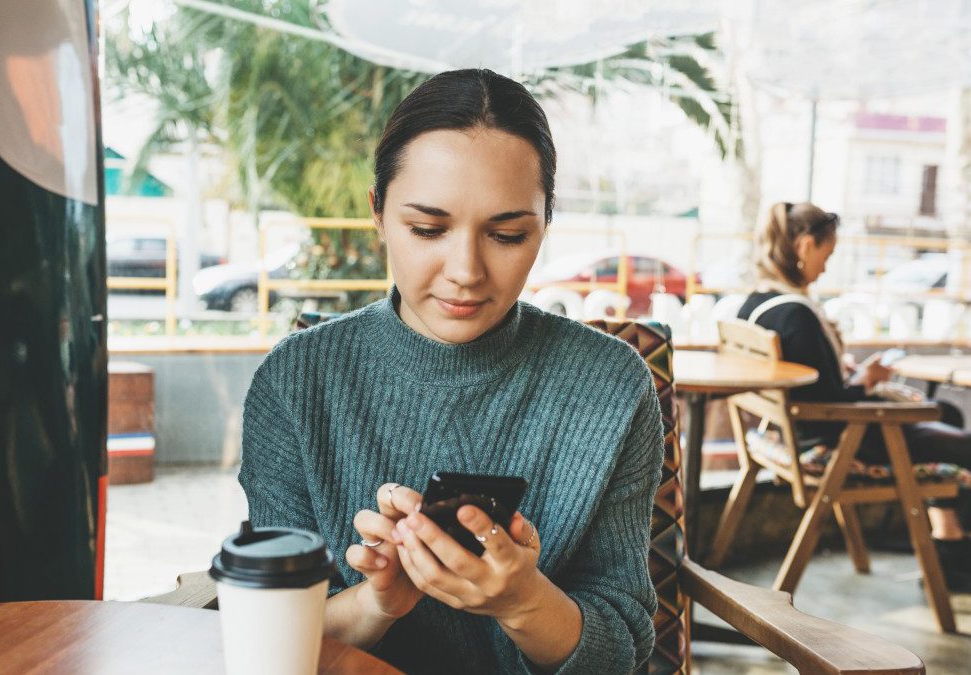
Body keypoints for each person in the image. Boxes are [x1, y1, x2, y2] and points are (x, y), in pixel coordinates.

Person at [239, 69, 664, 673]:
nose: (465, 270)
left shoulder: (612, 387)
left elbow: (620, 647)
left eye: (508, 234)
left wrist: (523, 602)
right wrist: (379, 601)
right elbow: (271, 626)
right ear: (378, 212)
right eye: (427, 229)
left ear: (545, 224)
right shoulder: (296, 381)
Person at [738, 201, 971, 590]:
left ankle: (948, 545)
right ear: (805, 246)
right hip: (844, 438)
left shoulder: (756, 303)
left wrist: (841, 369)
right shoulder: (798, 314)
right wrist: (866, 378)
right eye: (826, 255)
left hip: (791, 431)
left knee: (946, 412)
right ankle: (952, 558)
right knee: (964, 443)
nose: (826, 267)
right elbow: (825, 404)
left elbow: (809, 384)